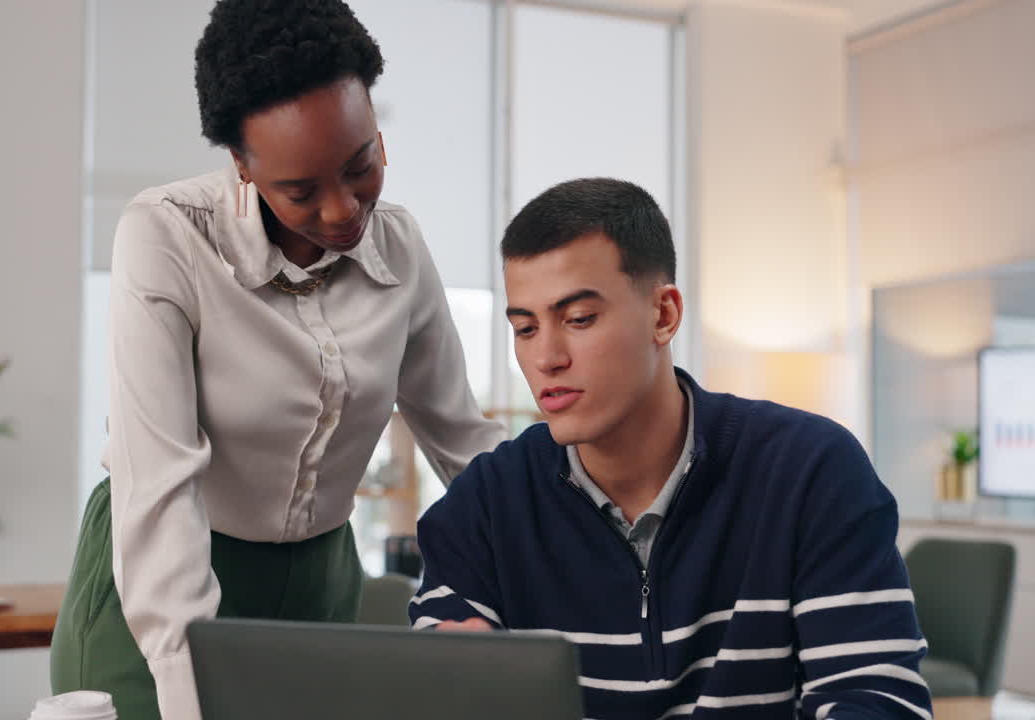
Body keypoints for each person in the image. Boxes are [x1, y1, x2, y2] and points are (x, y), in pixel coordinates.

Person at [49, 2, 506, 719]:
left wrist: (577, 530)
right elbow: (159, 483)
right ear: (241, 165)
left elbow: (463, 439)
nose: (343, 210)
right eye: (301, 190)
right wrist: (186, 685)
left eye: (363, 165)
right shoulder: (166, 238)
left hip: (322, 585)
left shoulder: (400, 247)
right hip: (161, 582)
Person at [409, 178, 931, 720]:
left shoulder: (810, 470)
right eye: (525, 327)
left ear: (664, 315)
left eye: (579, 319)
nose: (546, 357)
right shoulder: (488, 500)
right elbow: (439, 678)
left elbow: (874, 699)